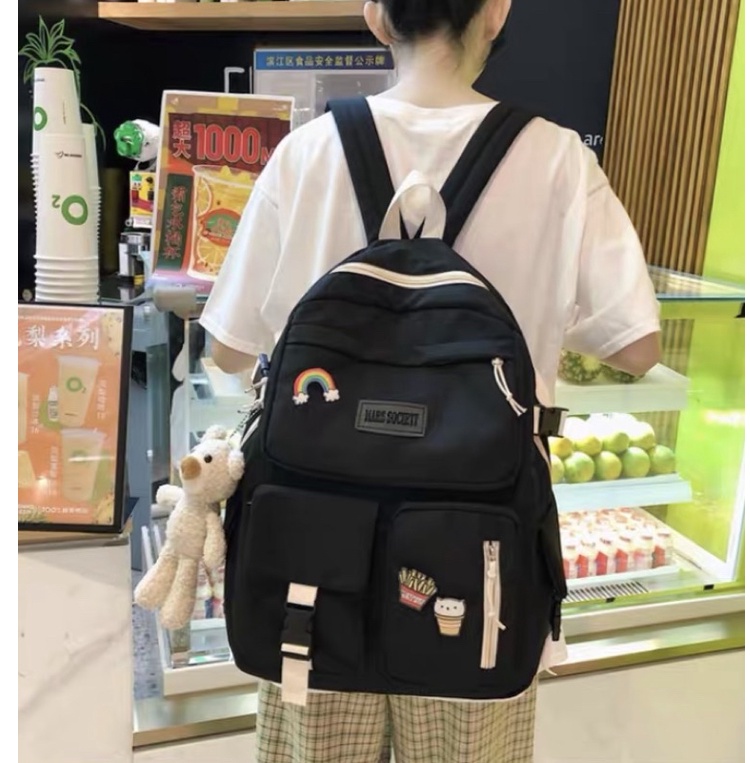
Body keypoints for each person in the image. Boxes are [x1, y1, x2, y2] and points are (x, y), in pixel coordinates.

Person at [199, 1, 661, 760]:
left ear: (376, 15)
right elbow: (637, 346)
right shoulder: (557, 160)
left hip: (312, 565)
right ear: (496, 10)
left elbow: (225, 351)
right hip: (476, 565)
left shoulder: (306, 153)